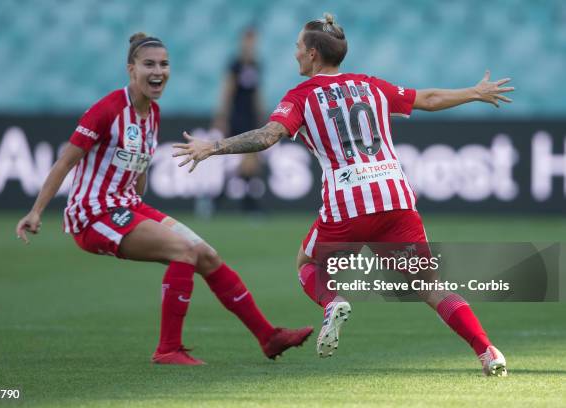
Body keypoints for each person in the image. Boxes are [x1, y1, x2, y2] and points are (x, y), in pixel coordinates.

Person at [172, 14, 515, 376]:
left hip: (348, 203)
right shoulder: (370, 85)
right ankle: (487, 351)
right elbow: (427, 98)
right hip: (395, 198)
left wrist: (214, 146)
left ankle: (333, 302)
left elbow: (267, 136)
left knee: (307, 266)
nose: (295, 55)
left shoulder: (301, 96)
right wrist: (475, 92)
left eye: (299, 48)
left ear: (314, 54)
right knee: (430, 288)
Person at [15, 33, 312, 366]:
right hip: (94, 214)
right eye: (149, 64)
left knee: (206, 255)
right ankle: (168, 349)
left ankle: (268, 337)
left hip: (127, 206)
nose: (158, 71)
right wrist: (36, 211)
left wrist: (143, 215)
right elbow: (65, 161)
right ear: (131, 70)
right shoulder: (107, 110)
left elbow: (139, 168)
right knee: (182, 251)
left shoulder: (152, 113)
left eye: (164, 64)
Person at [212, 26, 266, 214]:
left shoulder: (257, 65)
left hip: (251, 117)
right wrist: (222, 117)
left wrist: (261, 114)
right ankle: (248, 205)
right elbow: (228, 91)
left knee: (250, 163)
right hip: (238, 116)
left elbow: (257, 93)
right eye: (248, 40)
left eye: (253, 40)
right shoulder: (235, 65)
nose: (251, 44)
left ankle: (219, 200)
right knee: (248, 161)